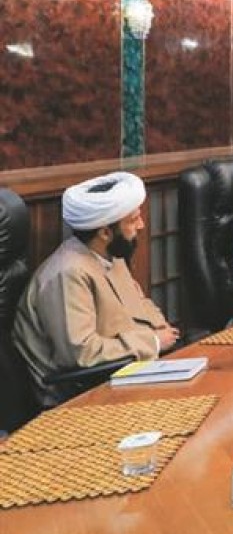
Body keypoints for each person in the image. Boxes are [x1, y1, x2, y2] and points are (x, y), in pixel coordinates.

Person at [14, 172, 179, 406]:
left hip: (126, 370)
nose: (141, 225)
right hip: (81, 393)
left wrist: (162, 330)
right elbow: (82, 354)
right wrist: (153, 342)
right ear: (105, 232)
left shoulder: (112, 254)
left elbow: (141, 304)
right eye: (133, 220)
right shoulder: (68, 273)